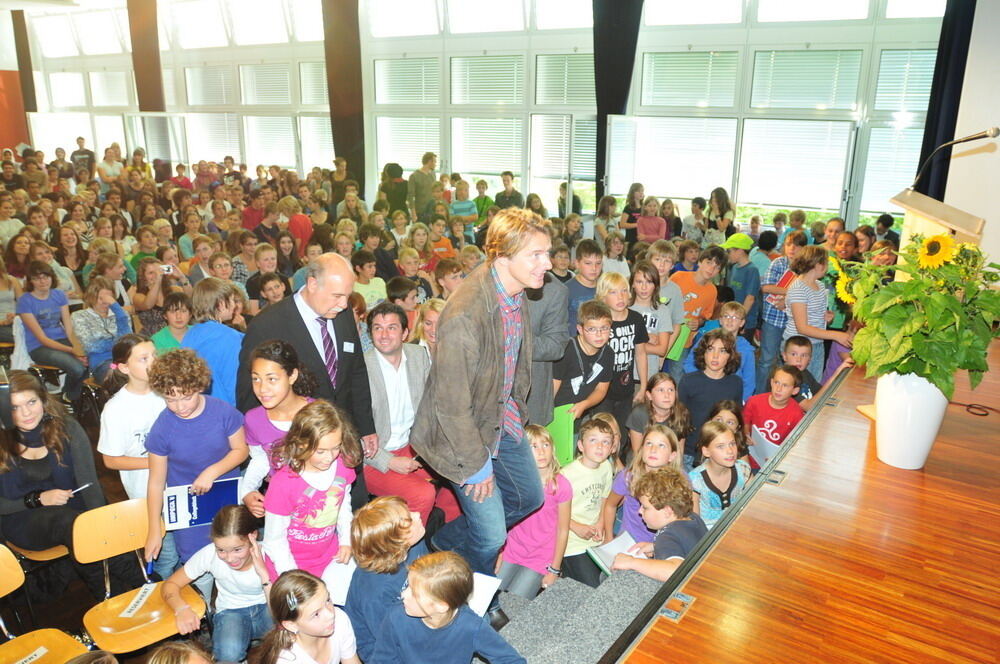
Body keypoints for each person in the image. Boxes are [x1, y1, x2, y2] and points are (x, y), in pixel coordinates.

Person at [410, 207, 549, 625]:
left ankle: (442, 543)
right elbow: (451, 406)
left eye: (547, 253)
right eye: (536, 255)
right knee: (490, 535)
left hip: (500, 418)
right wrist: (477, 468)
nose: (547, 263)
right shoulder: (465, 313)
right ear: (502, 257)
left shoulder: (516, 290)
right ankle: (480, 603)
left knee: (531, 497)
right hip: (460, 436)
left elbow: (516, 363)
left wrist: (517, 411)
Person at [0, 370, 140, 599]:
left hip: (74, 509)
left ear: (43, 399)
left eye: (31, 402)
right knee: (72, 523)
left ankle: (137, 588)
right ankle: (117, 593)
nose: (25, 413)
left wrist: (100, 524)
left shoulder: (68, 428)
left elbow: (90, 485)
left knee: (93, 518)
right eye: (14, 407)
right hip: (21, 517)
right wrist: (37, 499)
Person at [144, 350, 249, 590]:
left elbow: (241, 450)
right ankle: (207, 612)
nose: (180, 406)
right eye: (170, 399)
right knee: (197, 566)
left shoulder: (223, 412)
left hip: (225, 499)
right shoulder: (162, 429)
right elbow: (156, 483)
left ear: (199, 386)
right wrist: (153, 529)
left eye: (186, 397)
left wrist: (212, 471)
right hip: (188, 509)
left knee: (235, 554)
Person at [362, 301, 458, 525]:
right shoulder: (360, 368)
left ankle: (439, 542)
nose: (384, 335)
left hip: (413, 447)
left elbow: (431, 407)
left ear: (405, 333)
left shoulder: (418, 356)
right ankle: (405, 555)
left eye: (392, 327)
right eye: (377, 328)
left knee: (459, 485)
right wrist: (388, 461)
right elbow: (350, 430)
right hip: (375, 456)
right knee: (422, 495)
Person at [263, 400, 360, 595]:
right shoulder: (283, 484)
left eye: (336, 447)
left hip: (328, 556)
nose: (330, 457)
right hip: (291, 565)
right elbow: (274, 540)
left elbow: (342, 507)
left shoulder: (342, 466)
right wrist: (292, 576)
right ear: (300, 444)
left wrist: (346, 540)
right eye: (321, 451)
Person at [161, 505, 272, 664]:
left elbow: (283, 604)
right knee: (228, 655)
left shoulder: (270, 552)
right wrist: (181, 608)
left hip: (267, 606)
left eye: (237, 549)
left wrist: (264, 574)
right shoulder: (209, 553)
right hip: (232, 611)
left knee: (295, 631)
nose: (230, 558)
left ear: (253, 536)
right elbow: (170, 584)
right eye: (221, 550)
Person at [372, 551, 527, 664]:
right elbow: (382, 659)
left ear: (441, 606)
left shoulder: (471, 626)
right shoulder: (395, 616)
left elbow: (511, 660)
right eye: (407, 586)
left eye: (414, 593)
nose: (404, 594)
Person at [238, 340, 316, 519]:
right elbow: (260, 459)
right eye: (256, 379)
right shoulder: (253, 419)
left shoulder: (318, 415)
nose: (262, 388)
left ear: (292, 376)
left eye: (272, 379)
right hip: (279, 506)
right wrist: (248, 490)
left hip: (317, 508)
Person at [344, 496, 427, 662]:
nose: (417, 514)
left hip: (417, 610)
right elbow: (391, 639)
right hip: (385, 648)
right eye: (410, 519)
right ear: (397, 542)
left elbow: (429, 574)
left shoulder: (414, 543)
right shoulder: (374, 591)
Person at [495, 425, 571, 599]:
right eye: (533, 446)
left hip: (540, 557)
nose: (541, 452)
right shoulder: (516, 482)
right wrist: (499, 552)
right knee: (490, 595)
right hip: (512, 548)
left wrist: (554, 569)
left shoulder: (561, 485)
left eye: (545, 445)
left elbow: (563, 529)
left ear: (553, 448)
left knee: (514, 604)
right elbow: (503, 519)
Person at [97, 335, 164, 507]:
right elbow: (111, 460)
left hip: (179, 482)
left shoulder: (168, 393)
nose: (154, 362)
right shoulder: (116, 409)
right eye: (144, 359)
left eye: (155, 355)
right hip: (145, 491)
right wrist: (158, 461)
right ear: (124, 368)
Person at [610, 467, 708, 581]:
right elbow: (686, 544)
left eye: (645, 507)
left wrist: (632, 562)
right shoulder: (692, 517)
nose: (640, 511)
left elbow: (675, 571)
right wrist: (655, 546)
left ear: (667, 511)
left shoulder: (666, 535)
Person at [17, 260, 88, 403]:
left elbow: (68, 326)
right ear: (31, 281)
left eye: (46, 277)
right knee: (77, 368)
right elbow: (42, 338)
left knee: (89, 360)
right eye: (37, 278)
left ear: (52, 277)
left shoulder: (59, 295)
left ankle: (70, 397)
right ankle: (69, 398)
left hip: (62, 340)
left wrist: (76, 347)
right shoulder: (25, 301)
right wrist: (71, 350)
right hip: (39, 347)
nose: (43, 281)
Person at [258, 569, 361, 664]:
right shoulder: (287, 660)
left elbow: (352, 661)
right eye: (316, 614)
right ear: (291, 625)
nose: (330, 615)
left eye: (327, 600)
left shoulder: (339, 619)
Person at [560, 417, 616, 588]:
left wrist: (601, 524)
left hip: (594, 540)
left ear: (612, 448)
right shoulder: (566, 475)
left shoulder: (606, 466)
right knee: (592, 588)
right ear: (581, 446)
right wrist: (576, 526)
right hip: (570, 543)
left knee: (610, 583)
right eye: (593, 440)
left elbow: (604, 498)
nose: (600, 446)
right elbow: (552, 512)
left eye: (606, 442)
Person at [602, 424, 682, 543]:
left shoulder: (680, 481)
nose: (653, 450)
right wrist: (608, 538)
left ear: (672, 455)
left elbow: (683, 518)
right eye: (649, 443)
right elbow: (610, 505)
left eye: (661, 445)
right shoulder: (628, 477)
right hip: (630, 541)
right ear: (641, 449)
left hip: (664, 543)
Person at [784, 245, 854, 379]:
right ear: (818, 265)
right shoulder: (798, 289)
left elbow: (815, 313)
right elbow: (802, 328)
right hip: (798, 346)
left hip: (816, 344)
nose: (828, 266)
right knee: (796, 382)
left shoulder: (820, 285)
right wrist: (835, 335)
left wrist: (827, 317)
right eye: (826, 262)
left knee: (813, 382)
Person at [678, 330, 743, 471]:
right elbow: (679, 424)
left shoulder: (736, 383)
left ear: (730, 356)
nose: (715, 356)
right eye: (710, 349)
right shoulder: (688, 381)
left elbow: (736, 421)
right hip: (690, 453)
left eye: (722, 351)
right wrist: (679, 457)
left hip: (721, 452)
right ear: (703, 353)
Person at [596, 271, 649, 440]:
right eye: (613, 292)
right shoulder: (599, 322)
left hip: (625, 390)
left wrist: (643, 385)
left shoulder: (636, 319)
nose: (620, 297)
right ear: (603, 297)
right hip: (600, 391)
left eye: (624, 291)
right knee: (603, 433)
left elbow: (641, 354)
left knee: (621, 437)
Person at [757, 229, 808, 393]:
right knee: (766, 359)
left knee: (787, 362)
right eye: (789, 245)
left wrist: (787, 297)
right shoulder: (778, 263)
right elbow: (766, 287)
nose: (792, 249)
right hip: (773, 319)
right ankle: (759, 395)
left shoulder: (806, 268)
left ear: (805, 248)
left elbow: (807, 293)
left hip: (793, 323)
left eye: (798, 246)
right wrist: (792, 292)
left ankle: (783, 394)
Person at [181, 278, 244, 405]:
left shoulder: (189, 334)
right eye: (232, 300)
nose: (234, 305)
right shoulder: (231, 337)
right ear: (221, 304)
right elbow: (234, 385)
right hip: (225, 411)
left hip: (197, 408)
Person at [667, 246, 725, 381]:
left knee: (678, 375)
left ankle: (675, 401)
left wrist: (699, 322)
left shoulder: (712, 291)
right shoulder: (678, 277)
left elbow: (705, 316)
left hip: (684, 340)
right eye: (709, 263)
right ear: (700, 262)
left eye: (716, 267)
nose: (711, 269)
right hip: (665, 332)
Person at [552, 299, 613, 422]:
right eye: (592, 329)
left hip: (580, 412)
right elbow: (551, 390)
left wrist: (585, 404)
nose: (599, 334)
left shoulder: (608, 353)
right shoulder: (566, 350)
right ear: (580, 329)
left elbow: (601, 389)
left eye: (604, 328)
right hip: (555, 412)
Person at [524, 271, 569, 428]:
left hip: (530, 398)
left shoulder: (553, 290)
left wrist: (515, 340)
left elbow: (555, 345)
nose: (548, 264)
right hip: (484, 400)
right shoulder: (483, 282)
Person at [689, 421, 751, 528]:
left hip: (739, 528)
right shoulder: (695, 480)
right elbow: (695, 525)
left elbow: (753, 505)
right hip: (707, 536)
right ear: (706, 451)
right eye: (720, 446)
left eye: (732, 444)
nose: (730, 451)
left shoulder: (743, 469)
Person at [70, 276, 132, 381]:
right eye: (101, 298)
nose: (105, 302)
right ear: (91, 297)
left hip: (127, 359)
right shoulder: (79, 316)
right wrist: (119, 344)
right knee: (118, 375)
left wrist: (117, 309)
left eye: (109, 298)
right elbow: (90, 346)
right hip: (104, 362)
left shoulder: (121, 314)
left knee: (147, 371)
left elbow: (129, 339)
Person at [743, 364, 806, 454]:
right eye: (776, 382)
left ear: (795, 391)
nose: (778, 389)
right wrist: (746, 434)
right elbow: (745, 422)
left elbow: (794, 443)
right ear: (771, 382)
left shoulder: (797, 414)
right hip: (750, 454)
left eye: (785, 385)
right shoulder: (754, 401)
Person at [625, 373, 691, 456]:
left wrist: (675, 468)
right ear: (649, 395)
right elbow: (637, 452)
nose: (667, 395)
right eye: (661, 390)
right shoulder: (639, 414)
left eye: (671, 390)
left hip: (668, 462)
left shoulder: (681, 413)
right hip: (641, 461)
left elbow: (679, 450)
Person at [721, 233, 761, 339]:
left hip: (744, 322)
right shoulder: (734, 268)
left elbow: (750, 298)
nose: (727, 254)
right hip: (732, 319)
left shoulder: (752, 270)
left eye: (729, 251)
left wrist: (739, 320)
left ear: (740, 251)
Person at [566, 238, 603, 335]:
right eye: (588, 263)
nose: (594, 268)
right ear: (577, 263)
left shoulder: (605, 287)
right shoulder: (566, 290)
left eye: (598, 263)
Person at [408, 152, 437, 222]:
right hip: (420, 211)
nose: (436, 164)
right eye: (435, 162)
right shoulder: (414, 176)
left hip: (432, 209)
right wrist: (413, 213)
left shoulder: (433, 174)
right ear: (430, 161)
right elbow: (410, 196)